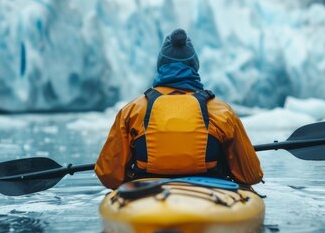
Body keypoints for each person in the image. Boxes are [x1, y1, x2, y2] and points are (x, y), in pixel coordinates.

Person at [95, 29, 263, 189]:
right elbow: (251, 175)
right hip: (212, 193)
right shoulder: (222, 112)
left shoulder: (132, 111)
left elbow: (108, 175)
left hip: (146, 195)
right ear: (194, 65)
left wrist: (131, 175)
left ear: (160, 65)